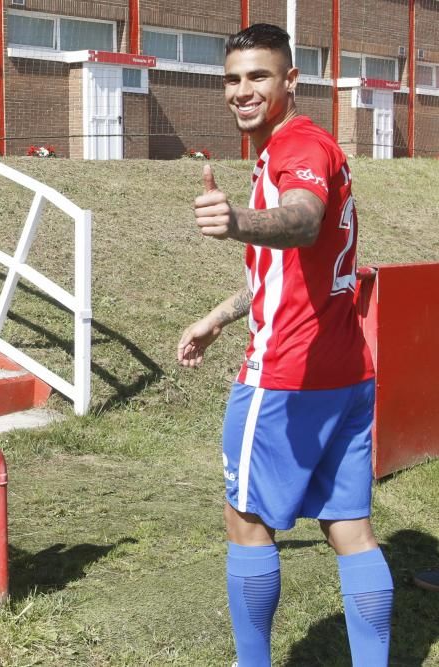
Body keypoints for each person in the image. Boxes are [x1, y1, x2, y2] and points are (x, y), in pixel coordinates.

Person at [177, 24, 392, 667]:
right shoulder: (313, 147)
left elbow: (301, 220)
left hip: (286, 376)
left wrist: (236, 220)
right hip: (349, 370)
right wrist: (220, 314)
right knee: (350, 529)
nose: (242, 92)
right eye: (232, 79)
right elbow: (296, 268)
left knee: (246, 522)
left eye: (259, 77)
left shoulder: (296, 145)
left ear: (291, 81)